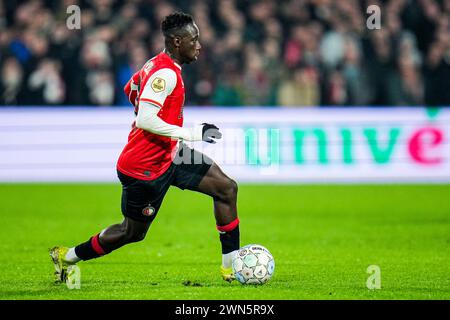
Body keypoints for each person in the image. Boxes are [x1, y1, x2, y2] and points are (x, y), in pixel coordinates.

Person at [50, 12, 240, 284]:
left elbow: (132, 89)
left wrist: (171, 133)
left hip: (171, 154)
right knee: (132, 232)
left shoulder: (156, 64)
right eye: (194, 39)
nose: (199, 45)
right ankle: (67, 256)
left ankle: (231, 269)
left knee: (226, 188)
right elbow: (145, 119)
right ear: (177, 41)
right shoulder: (165, 72)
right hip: (144, 168)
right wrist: (191, 133)